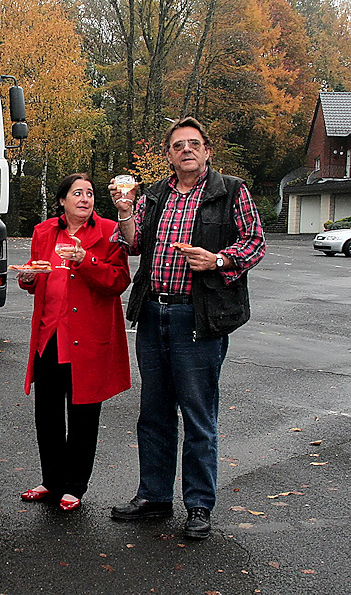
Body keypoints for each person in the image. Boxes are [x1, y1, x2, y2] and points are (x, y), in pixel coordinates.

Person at [108, 117, 266, 539]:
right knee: (153, 413)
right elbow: (133, 243)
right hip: (155, 313)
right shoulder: (156, 194)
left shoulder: (230, 191)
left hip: (198, 317)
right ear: (169, 155)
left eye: (194, 144)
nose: (187, 151)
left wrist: (217, 260)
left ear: (207, 150)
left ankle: (198, 505)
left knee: (198, 416)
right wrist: (125, 213)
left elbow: (254, 242)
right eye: (178, 146)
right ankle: (154, 497)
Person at [17, 174, 131, 511]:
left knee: (83, 414)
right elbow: (40, 279)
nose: (85, 199)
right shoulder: (44, 232)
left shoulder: (109, 231)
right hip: (49, 335)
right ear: (62, 201)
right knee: (47, 413)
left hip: (87, 338)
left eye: (90, 194)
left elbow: (119, 281)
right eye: (77, 193)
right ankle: (50, 480)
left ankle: (74, 485)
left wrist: (86, 261)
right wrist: (28, 279)